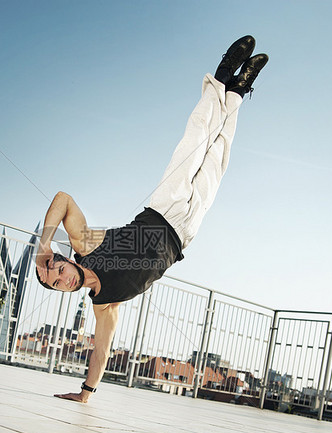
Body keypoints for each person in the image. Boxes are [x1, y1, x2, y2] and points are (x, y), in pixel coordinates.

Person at [35, 36, 268, 403]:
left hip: (163, 206)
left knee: (196, 141)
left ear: (64, 262)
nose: (62, 279)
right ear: (63, 291)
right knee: (218, 157)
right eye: (57, 285)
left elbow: (63, 199)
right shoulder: (104, 304)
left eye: (57, 271)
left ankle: (222, 76)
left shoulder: (86, 244)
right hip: (185, 232)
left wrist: (44, 242)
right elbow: (101, 351)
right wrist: (85, 393)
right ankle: (238, 92)